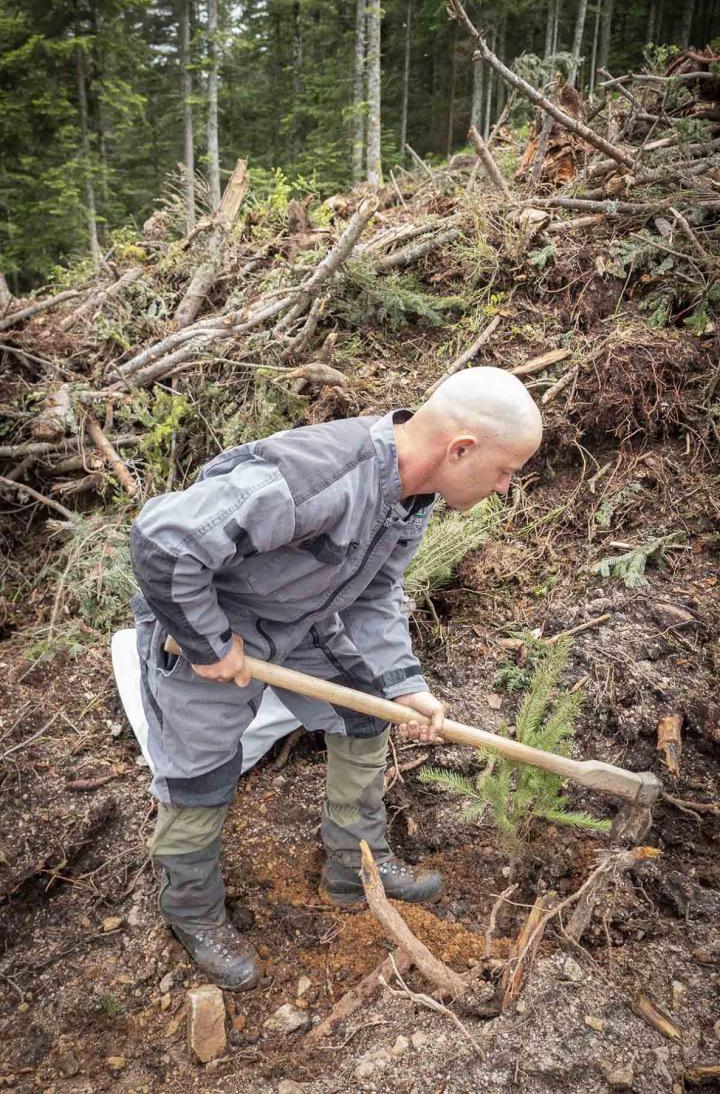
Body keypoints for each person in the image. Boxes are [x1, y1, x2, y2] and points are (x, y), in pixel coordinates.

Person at [129, 366, 543, 990]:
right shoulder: (316, 477)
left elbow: (376, 593)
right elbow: (165, 543)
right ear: (460, 449)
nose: (506, 487)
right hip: (207, 619)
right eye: (505, 470)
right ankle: (192, 911)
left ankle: (354, 865)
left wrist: (404, 683)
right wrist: (207, 641)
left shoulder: (411, 497)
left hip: (300, 620)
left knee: (367, 714)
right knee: (201, 771)